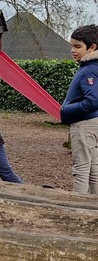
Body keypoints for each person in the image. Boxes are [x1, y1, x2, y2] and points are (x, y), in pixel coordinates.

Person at [61, 24, 98, 194]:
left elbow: (93, 101)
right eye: (72, 46)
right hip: (93, 123)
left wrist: (66, 110)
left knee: (81, 170)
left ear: (92, 47)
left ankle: (78, 209)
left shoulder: (89, 69)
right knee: (94, 169)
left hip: (84, 125)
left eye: (77, 46)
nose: (72, 50)